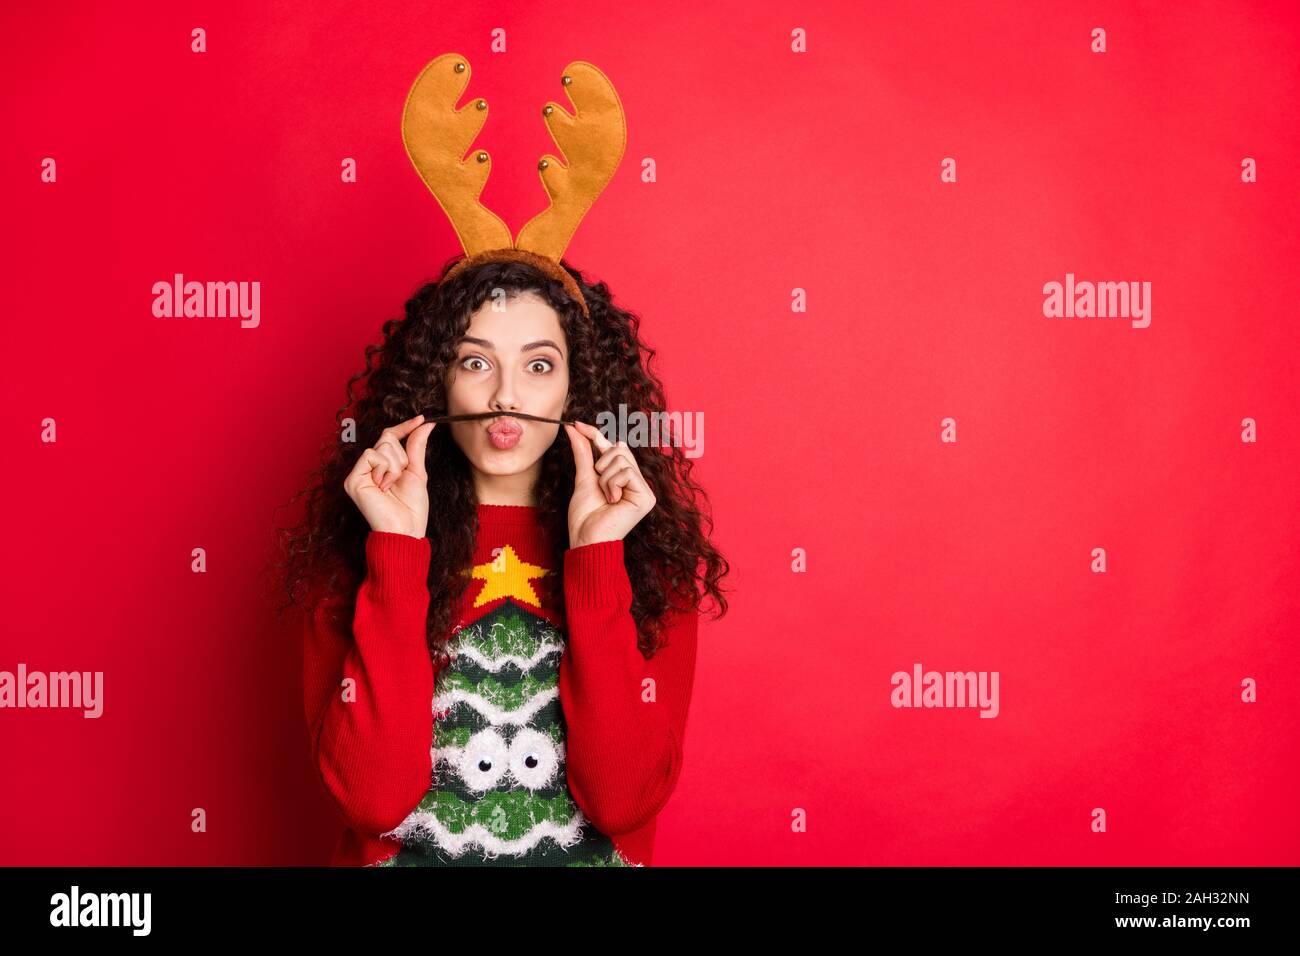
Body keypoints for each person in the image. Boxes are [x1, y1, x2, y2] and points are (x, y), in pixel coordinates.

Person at [276, 254, 730, 866]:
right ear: (439, 379)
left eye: (538, 365)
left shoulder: (649, 562)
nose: (506, 395)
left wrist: (597, 556)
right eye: (475, 362)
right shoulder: (358, 557)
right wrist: (396, 553)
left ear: (577, 387)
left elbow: (621, 803)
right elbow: (373, 803)